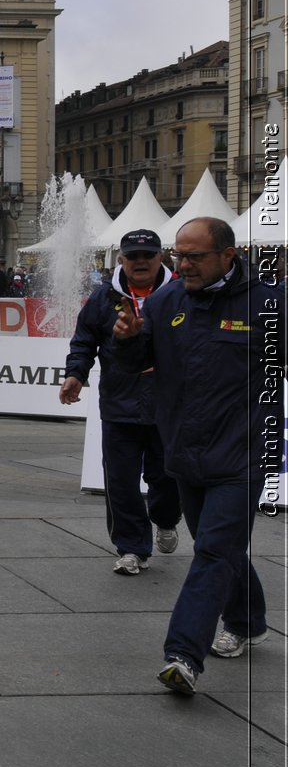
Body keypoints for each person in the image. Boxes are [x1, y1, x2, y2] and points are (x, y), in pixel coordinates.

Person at [112, 217, 282, 695]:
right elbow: (136, 364)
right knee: (220, 545)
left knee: (211, 549)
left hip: (244, 452)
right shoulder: (167, 302)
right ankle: (249, 620)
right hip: (185, 450)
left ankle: (183, 654)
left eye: (194, 257)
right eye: (178, 255)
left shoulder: (268, 304)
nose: (180, 265)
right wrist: (125, 342)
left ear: (229, 255)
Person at [60, 229, 181, 575]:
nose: (140, 262)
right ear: (121, 260)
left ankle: (166, 518)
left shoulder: (180, 294)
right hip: (118, 403)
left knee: (168, 476)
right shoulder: (103, 298)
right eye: (133, 256)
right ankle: (132, 548)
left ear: (161, 257)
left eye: (147, 255)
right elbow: (83, 341)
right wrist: (75, 375)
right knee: (121, 480)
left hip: (168, 405)